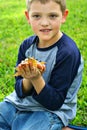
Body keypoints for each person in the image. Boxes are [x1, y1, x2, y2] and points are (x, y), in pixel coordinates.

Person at [0, 0, 84, 130]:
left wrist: (36, 79)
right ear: (28, 16)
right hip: (16, 105)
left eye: (52, 16)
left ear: (64, 16)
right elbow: (19, 91)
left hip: (47, 112)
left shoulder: (67, 52)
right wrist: (28, 77)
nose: (44, 23)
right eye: (37, 16)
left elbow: (54, 103)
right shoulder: (26, 46)